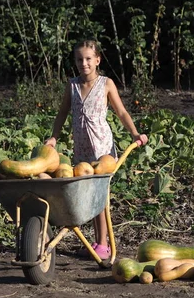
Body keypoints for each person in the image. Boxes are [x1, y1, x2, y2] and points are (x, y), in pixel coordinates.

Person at [44, 39, 148, 259]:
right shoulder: (72, 85)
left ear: (97, 60)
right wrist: (53, 137)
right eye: (80, 59)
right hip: (82, 149)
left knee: (99, 196)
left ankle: (103, 243)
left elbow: (121, 112)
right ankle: (99, 241)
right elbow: (62, 113)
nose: (84, 63)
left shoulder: (106, 84)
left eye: (89, 59)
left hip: (102, 147)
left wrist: (135, 134)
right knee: (89, 195)